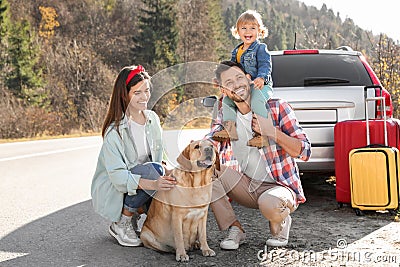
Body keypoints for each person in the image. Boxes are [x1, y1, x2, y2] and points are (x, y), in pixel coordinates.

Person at [209, 61, 311, 249]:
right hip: (245, 185)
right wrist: (201, 148)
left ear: (249, 79)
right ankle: (235, 228)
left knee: (270, 203)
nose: (236, 84)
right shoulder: (225, 115)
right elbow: (210, 139)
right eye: (229, 82)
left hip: (278, 187)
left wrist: (272, 132)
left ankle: (280, 223)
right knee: (208, 171)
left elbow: (304, 151)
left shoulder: (277, 107)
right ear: (223, 90)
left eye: (239, 78)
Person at [91, 65, 177, 247]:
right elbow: (119, 178)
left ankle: (139, 217)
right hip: (119, 189)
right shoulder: (114, 131)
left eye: (146, 91)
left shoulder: (152, 119)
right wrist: (155, 183)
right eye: (137, 93)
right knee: (154, 170)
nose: (144, 97)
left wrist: (172, 174)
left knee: (161, 171)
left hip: (146, 182)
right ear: (125, 94)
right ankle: (121, 222)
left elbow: (160, 156)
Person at [212, 10, 274, 148]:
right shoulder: (236, 51)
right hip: (243, 87)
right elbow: (230, 69)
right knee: (227, 100)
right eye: (244, 28)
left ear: (259, 31)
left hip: (260, 86)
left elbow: (265, 64)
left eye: (253, 28)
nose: (248, 31)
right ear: (238, 32)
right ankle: (230, 129)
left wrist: (261, 78)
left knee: (257, 101)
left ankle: (262, 135)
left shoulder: (260, 48)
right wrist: (220, 80)